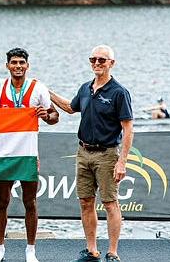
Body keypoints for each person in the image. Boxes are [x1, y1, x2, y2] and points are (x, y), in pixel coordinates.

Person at [50, 45, 133, 262]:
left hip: (107, 155)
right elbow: (70, 108)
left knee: (109, 203)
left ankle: (113, 253)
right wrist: (46, 92)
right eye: (93, 59)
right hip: (83, 152)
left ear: (111, 63)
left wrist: (122, 161)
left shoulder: (119, 92)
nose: (97, 63)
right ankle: (92, 250)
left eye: (102, 60)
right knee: (86, 202)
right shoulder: (85, 88)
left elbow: (128, 128)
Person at [0, 48, 59, 262]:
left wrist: (46, 115)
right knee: (2, 202)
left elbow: (55, 116)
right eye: (14, 62)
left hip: (27, 154)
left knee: (30, 202)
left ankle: (30, 251)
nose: (18, 66)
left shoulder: (38, 88)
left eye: (21, 62)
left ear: (27, 66)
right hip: (3, 155)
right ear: (7, 66)